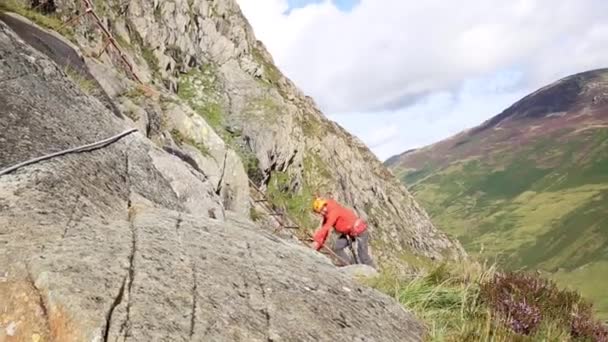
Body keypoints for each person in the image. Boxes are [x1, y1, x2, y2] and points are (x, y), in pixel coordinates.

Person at [310, 197, 375, 268]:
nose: (322, 212)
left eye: (322, 209)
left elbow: (326, 228)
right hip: (350, 233)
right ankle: (349, 265)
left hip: (360, 232)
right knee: (337, 247)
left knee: (363, 256)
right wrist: (318, 245)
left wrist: (316, 241)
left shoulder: (333, 212)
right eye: (320, 212)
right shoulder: (328, 214)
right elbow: (324, 231)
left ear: (325, 205)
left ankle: (373, 272)